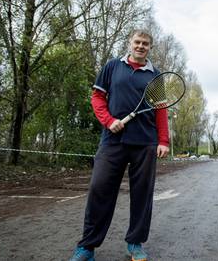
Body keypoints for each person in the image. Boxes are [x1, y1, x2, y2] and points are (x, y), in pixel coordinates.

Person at [69, 30, 169, 261]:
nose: (141, 46)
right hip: (112, 141)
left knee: (142, 195)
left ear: (150, 47)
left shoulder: (155, 75)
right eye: (137, 42)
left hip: (145, 143)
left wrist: (163, 140)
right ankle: (87, 247)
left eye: (145, 43)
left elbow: (161, 110)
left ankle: (135, 243)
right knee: (99, 189)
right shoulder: (112, 67)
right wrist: (109, 121)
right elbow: (97, 98)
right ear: (130, 43)